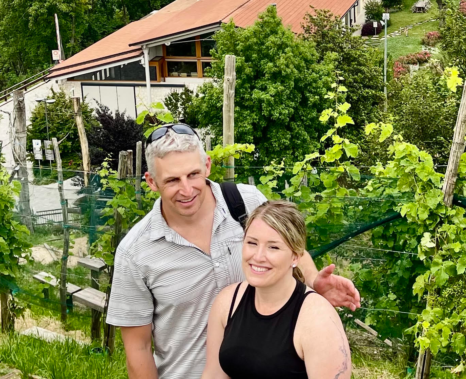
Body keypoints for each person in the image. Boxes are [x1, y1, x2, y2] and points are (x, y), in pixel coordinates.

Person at [106, 125, 360, 379]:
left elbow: (286, 244)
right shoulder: (135, 252)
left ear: (207, 166)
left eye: (193, 174)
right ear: (151, 181)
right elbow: (138, 348)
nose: (186, 189)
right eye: (172, 180)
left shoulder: (246, 203)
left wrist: (312, 280)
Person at [203, 201, 351, 379]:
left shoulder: (318, 318)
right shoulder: (227, 302)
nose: (258, 256)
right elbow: (213, 374)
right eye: (252, 243)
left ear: (295, 256)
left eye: (273, 247)